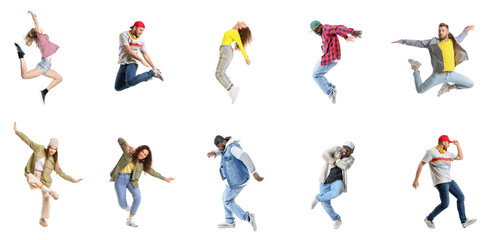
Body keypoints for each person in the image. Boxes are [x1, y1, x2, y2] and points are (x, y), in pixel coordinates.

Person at [14, 122, 82, 227]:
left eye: (55, 149)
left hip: (45, 181)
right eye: (51, 148)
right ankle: (51, 192)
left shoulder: (54, 161)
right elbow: (28, 141)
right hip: (34, 175)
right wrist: (16, 131)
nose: (52, 150)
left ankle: (42, 219)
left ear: (56, 150)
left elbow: (61, 173)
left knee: (46, 199)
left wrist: (73, 180)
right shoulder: (39, 149)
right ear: (48, 146)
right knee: (29, 176)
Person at [392, 23, 475, 97]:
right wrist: (401, 41)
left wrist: (466, 30)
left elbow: (460, 38)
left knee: (470, 84)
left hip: (451, 74)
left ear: (447, 32)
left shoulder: (452, 41)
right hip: (438, 75)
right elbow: (417, 42)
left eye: (443, 30)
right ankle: (416, 68)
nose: (441, 32)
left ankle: (447, 87)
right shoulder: (432, 42)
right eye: (439, 31)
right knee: (420, 90)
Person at [412, 135, 476, 229]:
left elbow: (460, 157)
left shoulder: (448, 153)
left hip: (449, 180)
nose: (449, 145)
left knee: (461, 196)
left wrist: (458, 145)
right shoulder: (431, 152)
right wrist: (416, 179)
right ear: (443, 142)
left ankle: (464, 221)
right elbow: (421, 164)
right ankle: (429, 219)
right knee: (445, 204)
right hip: (441, 182)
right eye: (448, 143)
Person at [110, 137, 175, 227]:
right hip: (120, 179)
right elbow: (119, 139)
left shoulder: (141, 164)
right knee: (122, 205)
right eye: (142, 152)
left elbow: (152, 172)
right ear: (139, 150)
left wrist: (164, 178)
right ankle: (129, 209)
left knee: (138, 197)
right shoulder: (128, 153)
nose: (143, 155)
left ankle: (130, 219)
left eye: (145, 155)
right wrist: (127, 144)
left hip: (131, 181)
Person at [207, 135, 264, 231]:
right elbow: (223, 151)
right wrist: (215, 152)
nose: (219, 149)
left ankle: (248, 217)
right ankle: (230, 221)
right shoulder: (227, 147)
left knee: (227, 201)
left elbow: (244, 156)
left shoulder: (233, 148)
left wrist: (254, 172)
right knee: (225, 197)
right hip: (233, 180)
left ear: (223, 142)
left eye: (219, 146)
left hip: (237, 181)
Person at [14, 11, 63, 104]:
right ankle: (21, 55)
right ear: (37, 32)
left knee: (59, 78)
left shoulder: (41, 39)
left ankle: (44, 92)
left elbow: (36, 26)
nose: (39, 28)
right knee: (24, 75)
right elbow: (36, 23)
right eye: (37, 29)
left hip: (46, 65)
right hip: (44, 65)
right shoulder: (40, 37)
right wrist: (33, 15)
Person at [310, 21, 362, 104]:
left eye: (317, 30)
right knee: (316, 73)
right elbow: (336, 32)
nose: (316, 32)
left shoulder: (326, 28)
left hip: (331, 58)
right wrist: (345, 37)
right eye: (314, 31)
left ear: (320, 26)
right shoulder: (323, 33)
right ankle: (330, 87)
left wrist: (352, 32)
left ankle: (331, 92)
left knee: (315, 75)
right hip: (328, 56)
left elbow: (338, 28)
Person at [310, 141, 355, 229]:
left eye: (347, 151)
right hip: (325, 179)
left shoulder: (351, 159)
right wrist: (333, 160)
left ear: (352, 152)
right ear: (342, 147)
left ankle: (318, 197)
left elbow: (345, 166)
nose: (344, 151)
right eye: (344, 149)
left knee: (337, 191)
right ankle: (337, 220)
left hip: (337, 180)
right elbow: (324, 154)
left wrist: (336, 160)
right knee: (325, 203)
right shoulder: (336, 149)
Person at [115, 21, 164, 91]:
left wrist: (154, 67)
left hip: (132, 62)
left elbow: (145, 54)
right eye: (140, 30)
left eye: (143, 31)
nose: (141, 32)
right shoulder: (123, 35)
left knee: (130, 82)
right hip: (123, 63)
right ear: (135, 28)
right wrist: (141, 59)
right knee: (118, 87)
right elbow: (128, 50)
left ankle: (152, 73)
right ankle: (143, 78)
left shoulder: (141, 40)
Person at [215, 22, 252, 104]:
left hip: (226, 51)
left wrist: (246, 58)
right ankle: (233, 88)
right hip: (225, 51)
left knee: (218, 73)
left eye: (244, 24)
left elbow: (241, 46)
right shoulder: (233, 31)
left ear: (240, 28)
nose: (243, 22)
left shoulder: (235, 33)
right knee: (222, 72)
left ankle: (231, 90)